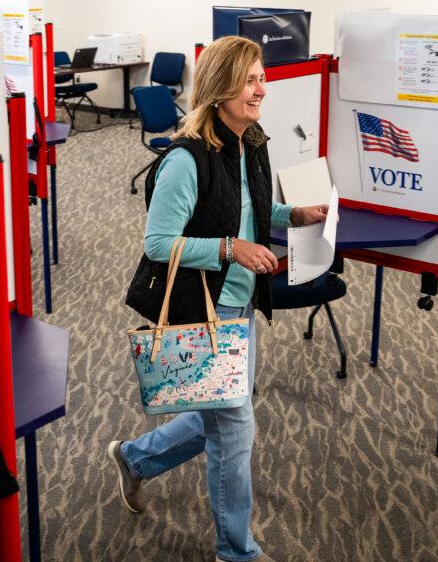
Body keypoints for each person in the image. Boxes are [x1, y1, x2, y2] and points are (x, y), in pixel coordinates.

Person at [109, 35, 328, 562]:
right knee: (234, 430)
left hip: (238, 306)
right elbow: (158, 244)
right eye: (250, 80)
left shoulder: (250, 139)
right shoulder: (185, 160)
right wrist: (232, 249)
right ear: (221, 86)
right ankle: (237, 552)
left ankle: (136, 459)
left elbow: (248, 208)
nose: (261, 90)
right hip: (201, 305)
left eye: (262, 78)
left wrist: (292, 215)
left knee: (221, 415)